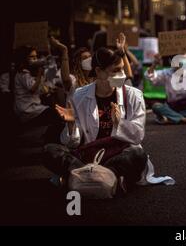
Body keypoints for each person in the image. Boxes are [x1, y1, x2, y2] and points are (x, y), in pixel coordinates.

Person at [43, 47, 173, 191]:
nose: (122, 74)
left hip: (117, 157)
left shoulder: (133, 95)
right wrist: (72, 125)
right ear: (98, 71)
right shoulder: (79, 96)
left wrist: (120, 123)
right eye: (115, 70)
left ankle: (85, 176)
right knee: (50, 150)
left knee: (137, 154)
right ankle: (106, 178)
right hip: (88, 156)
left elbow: (138, 137)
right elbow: (73, 143)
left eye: (122, 69)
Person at [13, 45, 65, 141]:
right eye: (32, 57)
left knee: (56, 111)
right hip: (27, 109)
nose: (35, 59)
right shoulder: (22, 73)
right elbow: (32, 89)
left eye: (36, 57)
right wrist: (39, 74)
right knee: (55, 115)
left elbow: (39, 90)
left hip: (33, 107)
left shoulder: (28, 73)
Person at [145, 52, 186, 125]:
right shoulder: (166, 73)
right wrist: (155, 63)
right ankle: (185, 119)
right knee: (156, 107)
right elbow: (149, 76)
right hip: (172, 107)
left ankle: (171, 118)